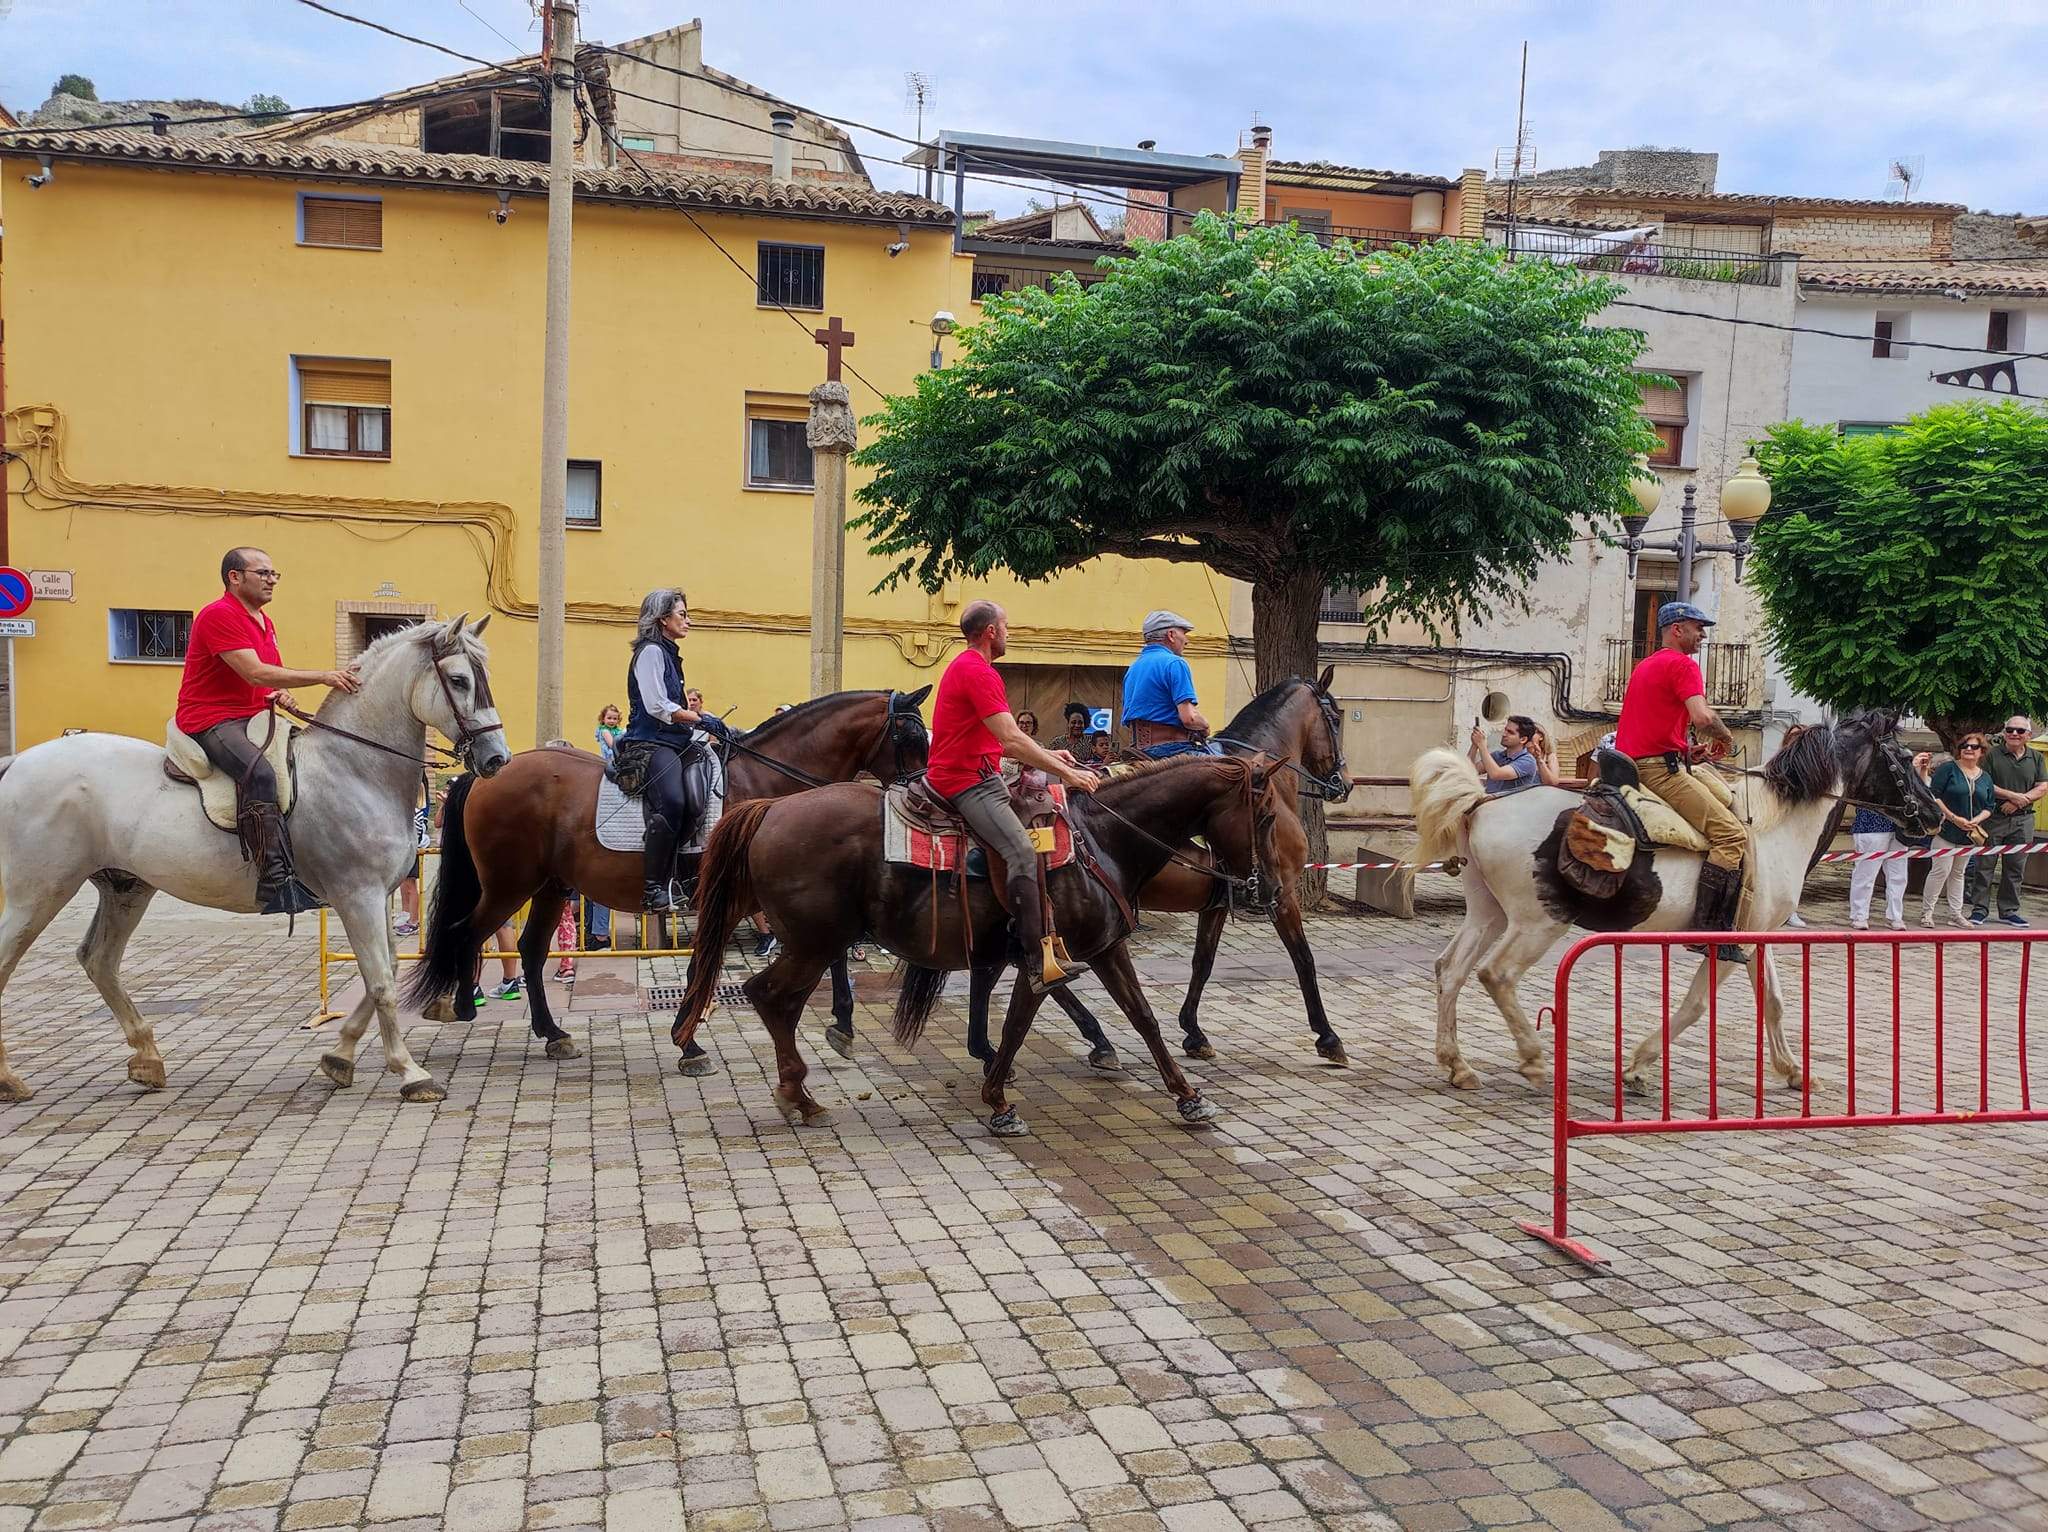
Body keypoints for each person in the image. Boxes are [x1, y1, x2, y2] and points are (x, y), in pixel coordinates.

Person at [175, 546, 360, 915]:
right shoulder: (218, 615)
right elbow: (255, 671)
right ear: (235, 577)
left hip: (253, 714)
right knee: (259, 773)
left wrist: (284, 695)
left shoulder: (263, 620)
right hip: (211, 718)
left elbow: (268, 677)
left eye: (275, 574)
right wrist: (324, 676)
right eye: (263, 573)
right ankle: (274, 879)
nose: (272, 579)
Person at [929, 600, 1099, 991]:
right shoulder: (978, 671)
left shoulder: (969, 668)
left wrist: (1049, 754)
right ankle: (1038, 962)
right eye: (1006, 626)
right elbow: (1009, 738)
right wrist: (1068, 772)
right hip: (966, 781)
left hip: (977, 772)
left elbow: (1001, 740)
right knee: (1022, 850)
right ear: (990, 631)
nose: (1009, 632)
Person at [1613, 601, 1745, 957]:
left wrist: (1687, 750)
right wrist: (1725, 738)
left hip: (1636, 763)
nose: (1703, 635)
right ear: (1677, 629)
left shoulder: (1645, 665)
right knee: (1732, 835)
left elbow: (1652, 726)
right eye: (1698, 627)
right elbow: (1702, 717)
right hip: (1659, 772)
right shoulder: (1683, 664)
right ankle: (1707, 930)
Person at [623, 589, 726, 913]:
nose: (688, 620)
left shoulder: (668, 653)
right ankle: (654, 888)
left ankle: (683, 875)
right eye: (682, 614)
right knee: (673, 801)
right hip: (651, 742)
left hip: (676, 741)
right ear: (662, 618)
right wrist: (701, 718)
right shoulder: (651, 652)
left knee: (703, 793)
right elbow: (656, 706)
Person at [1969, 716, 2047, 927]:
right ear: (2004, 733)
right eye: (2010, 730)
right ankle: (1979, 910)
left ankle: (2009, 911)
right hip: (1994, 818)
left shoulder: (2036, 758)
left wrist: (2020, 802)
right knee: (1985, 865)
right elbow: (1985, 782)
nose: (2014, 734)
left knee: (2015, 867)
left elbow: (2042, 786)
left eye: (2020, 731)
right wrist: (2014, 795)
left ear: (2028, 736)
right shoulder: (1992, 756)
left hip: (2023, 820)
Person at [1121, 610, 1215, 759]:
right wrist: (1205, 726)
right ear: (1171, 635)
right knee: (1235, 771)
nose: (1186, 641)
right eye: (1183, 633)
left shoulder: (1133, 668)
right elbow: (1189, 719)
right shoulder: (1175, 663)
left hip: (1139, 751)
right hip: (1172, 749)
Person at [1924, 736, 1996, 926]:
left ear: (1981, 751)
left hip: (1969, 833)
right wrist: (1954, 818)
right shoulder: (1948, 769)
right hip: (1946, 829)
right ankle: (1927, 913)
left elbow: (1990, 805)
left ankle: (1956, 914)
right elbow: (1934, 795)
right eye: (1965, 746)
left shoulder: (1985, 777)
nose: (1969, 749)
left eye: (1974, 746)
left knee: (1959, 873)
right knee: (1940, 870)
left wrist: (1976, 820)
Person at [393, 775, 431, 940]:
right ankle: (406, 913)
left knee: (410, 885)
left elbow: (414, 832)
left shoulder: (415, 812)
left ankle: (414, 919)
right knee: (404, 883)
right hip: (406, 849)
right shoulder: (410, 810)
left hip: (411, 849)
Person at [1471, 714, 1540, 795]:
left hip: (1512, 806)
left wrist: (1482, 745)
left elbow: (1495, 774)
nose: (1504, 734)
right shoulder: (1497, 756)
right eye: (1505, 730)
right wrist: (1474, 745)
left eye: (1510, 732)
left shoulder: (1528, 761)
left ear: (1523, 739)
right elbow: (1470, 770)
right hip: (1490, 804)